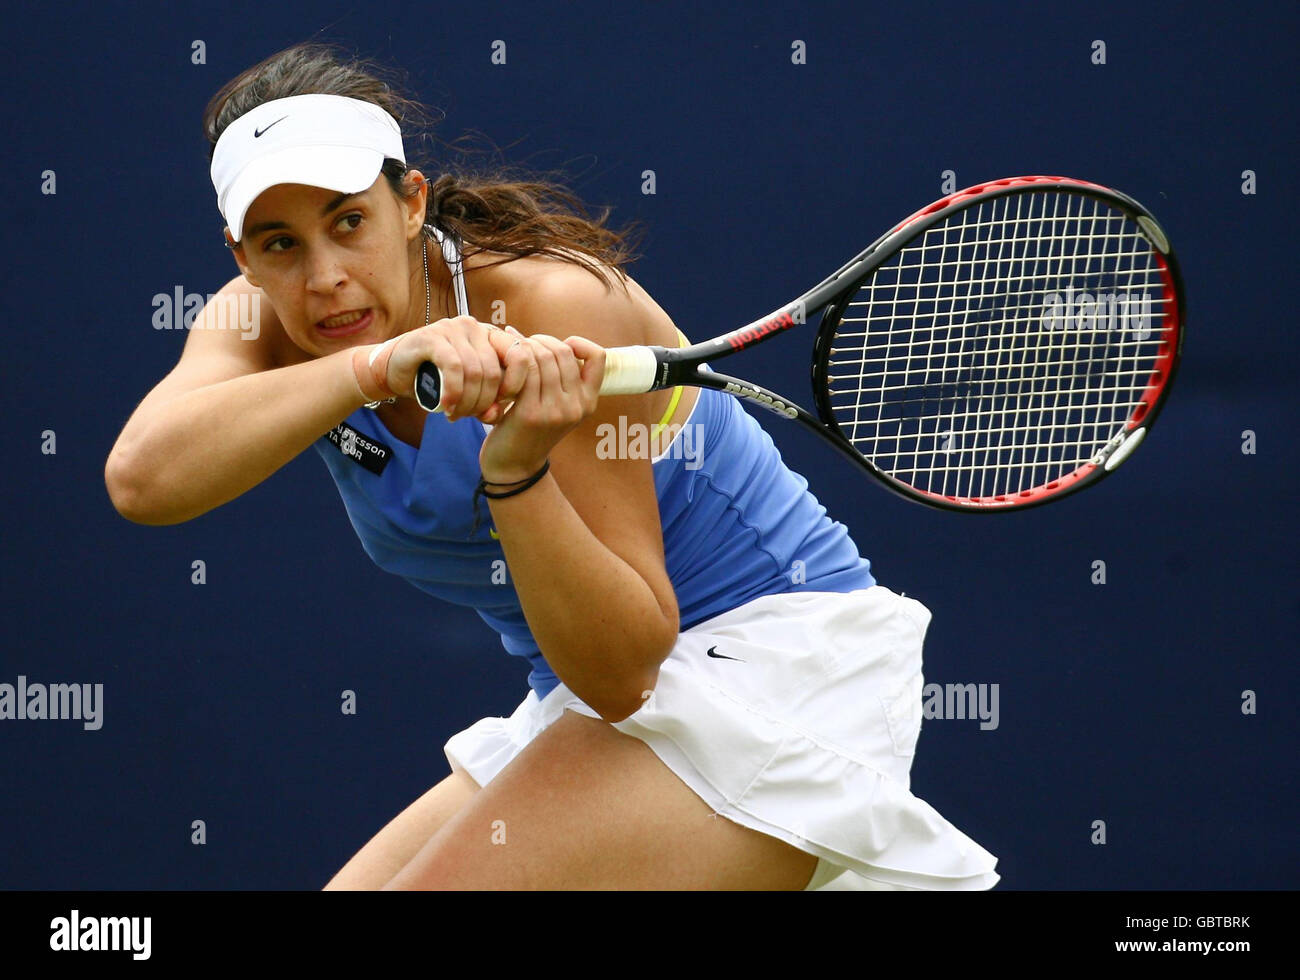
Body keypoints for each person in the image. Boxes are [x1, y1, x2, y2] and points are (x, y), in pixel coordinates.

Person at [105, 42, 1000, 890]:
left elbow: (622, 673)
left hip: (771, 668)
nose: (325, 274)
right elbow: (144, 481)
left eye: (349, 222)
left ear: (410, 203)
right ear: (241, 257)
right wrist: (370, 368)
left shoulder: (556, 302)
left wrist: (518, 468)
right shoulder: (257, 321)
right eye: (279, 244)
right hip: (583, 700)